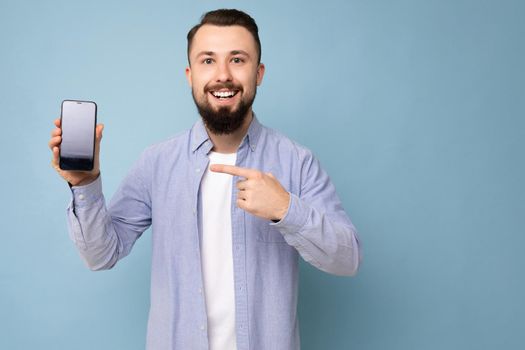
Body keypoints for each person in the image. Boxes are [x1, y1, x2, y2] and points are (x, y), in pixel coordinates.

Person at [48, 8, 361, 350]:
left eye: (238, 60)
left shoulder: (297, 162)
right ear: (190, 75)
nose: (222, 75)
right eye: (208, 61)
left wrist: (286, 209)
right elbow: (100, 254)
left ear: (259, 73)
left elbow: (347, 260)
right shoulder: (157, 162)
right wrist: (84, 184)